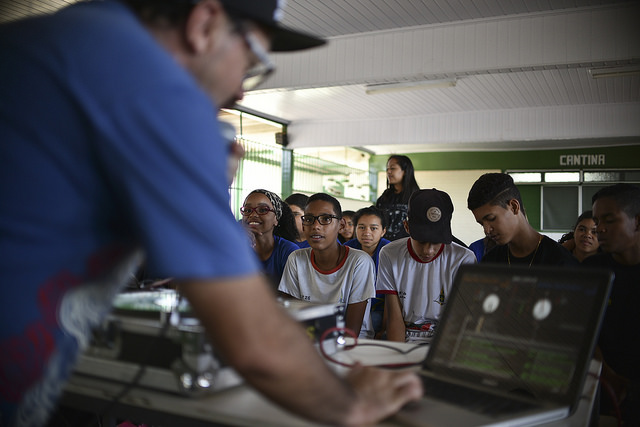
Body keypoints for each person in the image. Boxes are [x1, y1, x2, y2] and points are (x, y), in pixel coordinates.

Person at [0, 1, 422, 426]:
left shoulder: (69, 38)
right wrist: (351, 404)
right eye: (252, 60)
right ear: (204, 24)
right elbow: (251, 339)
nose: (241, 90)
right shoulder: (156, 90)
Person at [377, 189, 476, 344]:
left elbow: (460, 321)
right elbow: (394, 319)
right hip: (406, 339)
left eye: (436, 241)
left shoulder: (463, 259)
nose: (428, 250)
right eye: (421, 241)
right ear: (407, 227)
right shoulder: (389, 254)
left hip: (446, 341)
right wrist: (399, 356)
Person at [582, 184, 640, 425]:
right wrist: (606, 373)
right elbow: (583, 330)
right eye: (597, 220)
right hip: (600, 385)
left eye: (609, 220)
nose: (600, 229)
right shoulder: (593, 270)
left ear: (637, 222)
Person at [278, 193, 376, 337]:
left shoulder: (359, 262)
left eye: (326, 219)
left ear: (340, 225)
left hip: (352, 344)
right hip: (307, 341)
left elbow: (351, 331)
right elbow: (293, 318)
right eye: (309, 219)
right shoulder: (297, 259)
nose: (316, 226)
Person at [467, 173, 578, 266]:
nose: (487, 230)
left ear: (514, 207)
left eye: (491, 218)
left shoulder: (560, 261)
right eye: (481, 224)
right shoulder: (490, 261)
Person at [344, 206, 390, 338]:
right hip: (350, 306)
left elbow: (392, 297)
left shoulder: (390, 252)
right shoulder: (347, 249)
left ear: (383, 231)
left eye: (374, 228)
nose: (367, 232)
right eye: (362, 227)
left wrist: (385, 328)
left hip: (378, 310)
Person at [241, 189, 299, 288]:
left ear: (276, 219)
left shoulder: (289, 252)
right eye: (247, 210)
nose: (253, 215)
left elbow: (290, 296)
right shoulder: (237, 247)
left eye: (263, 210)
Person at [375, 155, 420, 241]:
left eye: (392, 168)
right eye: (387, 169)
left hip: (407, 246)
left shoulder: (416, 197)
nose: (389, 172)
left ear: (405, 171)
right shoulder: (384, 198)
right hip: (385, 246)